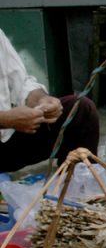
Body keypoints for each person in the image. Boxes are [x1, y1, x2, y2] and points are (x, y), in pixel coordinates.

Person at [0, 28, 99, 173]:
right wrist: (5, 120)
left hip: (6, 142)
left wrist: (43, 100)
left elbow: (21, 84)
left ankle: (79, 186)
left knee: (80, 109)